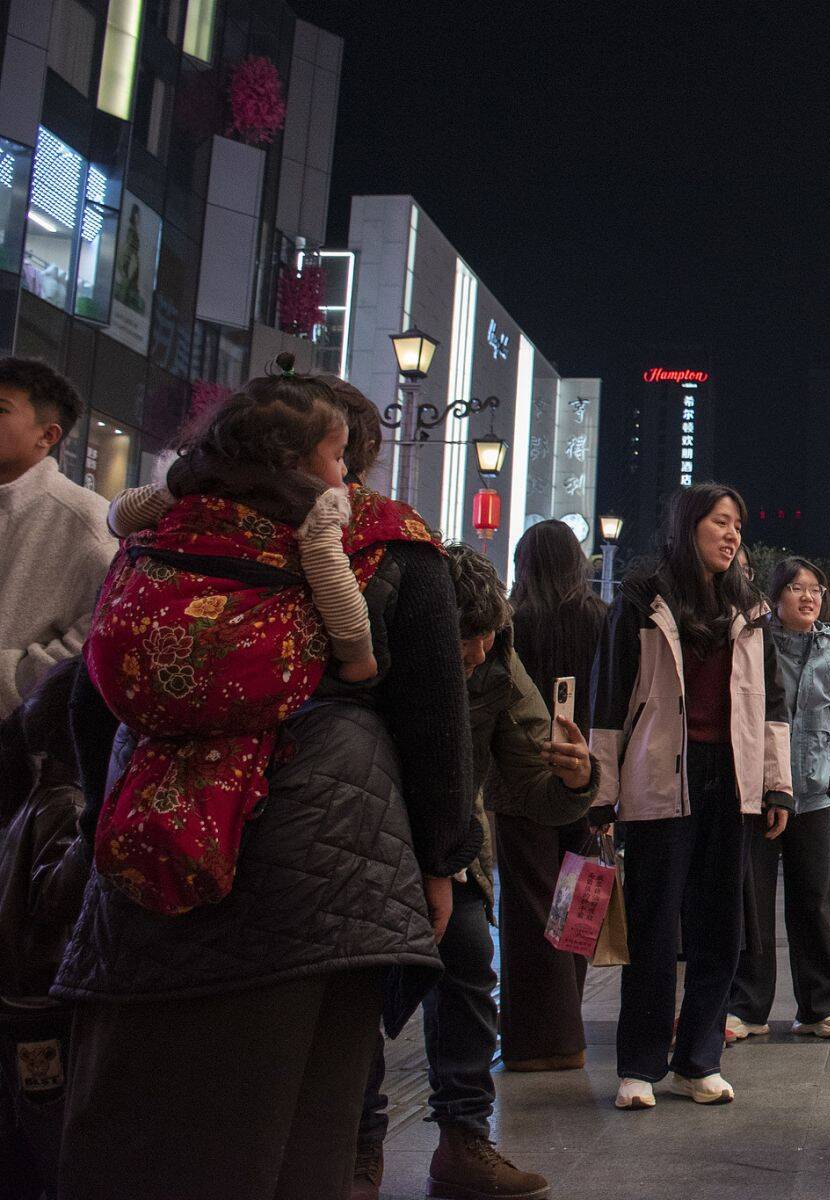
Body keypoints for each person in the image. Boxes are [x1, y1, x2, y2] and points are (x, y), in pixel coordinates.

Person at [56, 369, 475, 1200]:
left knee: (139, 1112)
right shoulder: (385, 541)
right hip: (323, 868)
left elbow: (89, 702)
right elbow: (436, 723)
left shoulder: (159, 535)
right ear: (334, 456)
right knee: (301, 1122)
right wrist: (441, 861)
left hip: (152, 851)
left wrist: (99, 827)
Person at [85, 358, 389, 913]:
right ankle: (197, 847)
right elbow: (335, 589)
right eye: (337, 456)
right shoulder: (319, 507)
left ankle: (118, 832)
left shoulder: (187, 481)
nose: (345, 472)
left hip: (125, 674)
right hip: (231, 677)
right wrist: (358, 658)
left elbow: (120, 517)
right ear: (292, 460)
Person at [356, 544, 600, 1200]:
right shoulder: (371, 655)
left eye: (490, 632)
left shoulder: (496, 657)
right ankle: (360, 1147)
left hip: (451, 842)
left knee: (468, 956)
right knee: (356, 984)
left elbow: (528, 778)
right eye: (467, 635)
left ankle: (463, 1138)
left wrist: (578, 778)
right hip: (363, 841)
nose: (480, 646)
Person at [590, 483, 793, 1110]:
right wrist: (601, 791)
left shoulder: (750, 609)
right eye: (720, 523)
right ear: (688, 526)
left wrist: (776, 783)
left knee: (720, 929)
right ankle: (639, 1066)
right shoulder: (643, 601)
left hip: (730, 785)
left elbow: (771, 705)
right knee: (653, 931)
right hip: (657, 784)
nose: (732, 535)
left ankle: (698, 1060)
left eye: (738, 525)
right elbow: (608, 700)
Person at [494, 519, 610, 1073]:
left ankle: (544, 1040)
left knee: (530, 907)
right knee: (576, 904)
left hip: (522, 783)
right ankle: (570, 1032)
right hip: (586, 780)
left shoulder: (510, 623)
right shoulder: (600, 620)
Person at [727, 556, 830, 1042]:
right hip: (758, 795)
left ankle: (819, 1007)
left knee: (813, 901)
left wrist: (823, 773)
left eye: (816, 589)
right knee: (753, 901)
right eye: (798, 589)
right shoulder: (754, 645)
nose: (808, 597)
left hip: (815, 797)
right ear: (776, 596)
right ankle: (749, 1007)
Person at [0, 660, 89, 1194]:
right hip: (41, 1016)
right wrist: (94, 843)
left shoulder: (30, 802)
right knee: (57, 1154)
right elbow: (56, 901)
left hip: (20, 1011)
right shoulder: (66, 807)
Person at [0, 357, 113, 720]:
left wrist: (16, 680)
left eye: (1, 410)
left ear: (47, 435)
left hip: (15, 744)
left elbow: (100, 634)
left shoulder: (86, 522)